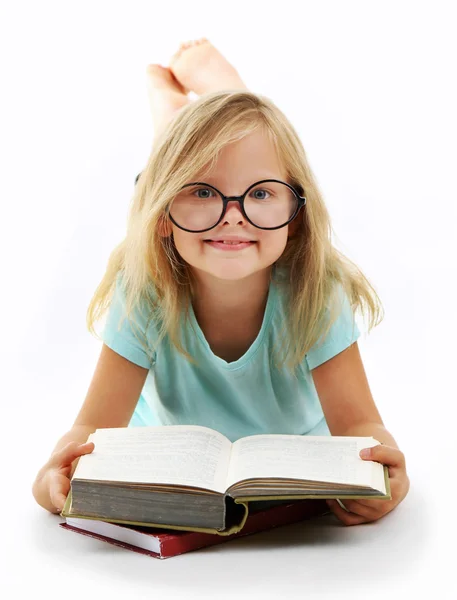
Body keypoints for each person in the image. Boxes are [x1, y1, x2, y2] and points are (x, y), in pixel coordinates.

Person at [32, 38, 410, 526]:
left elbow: (362, 425)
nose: (233, 218)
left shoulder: (315, 288)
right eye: (203, 191)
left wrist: (388, 474)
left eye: (262, 194)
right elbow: (90, 427)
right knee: (210, 165)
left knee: (236, 154)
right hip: (179, 456)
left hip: (289, 455)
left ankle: (214, 101)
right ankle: (176, 118)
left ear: (296, 216)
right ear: (166, 217)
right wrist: (50, 473)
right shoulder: (145, 287)